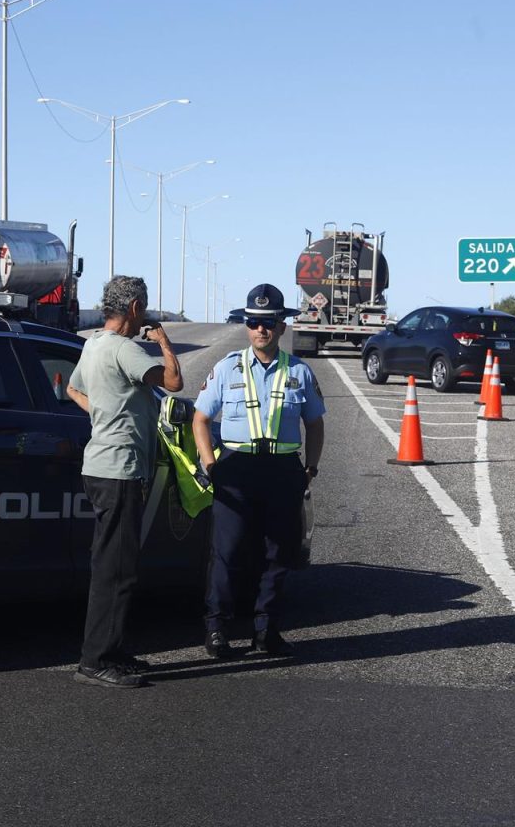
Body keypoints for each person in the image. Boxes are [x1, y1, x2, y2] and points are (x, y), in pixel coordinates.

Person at [192, 283, 325, 660]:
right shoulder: (226, 367)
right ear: (246, 325)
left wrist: (310, 469)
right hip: (236, 468)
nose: (260, 330)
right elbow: (200, 420)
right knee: (227, 551)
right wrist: (211, 464)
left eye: (268, 323)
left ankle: (266, 631)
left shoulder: (299, 371)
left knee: (278, 554)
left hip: (283, 470)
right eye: (253, 322)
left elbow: (314, 424)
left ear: (282, 326)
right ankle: (217, 629)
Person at [65, 275, 182, 688]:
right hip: (120, 468)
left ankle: (112, 650)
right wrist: (164, 342)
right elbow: (173, 382)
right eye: (144, 308)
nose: (146, 316)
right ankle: (95, 660)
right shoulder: (123, 348)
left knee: (117, 564)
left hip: (100, 465)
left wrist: (104, 415)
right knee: (115, 569)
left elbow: (73, 390)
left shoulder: (93, 344)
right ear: (134, 308)